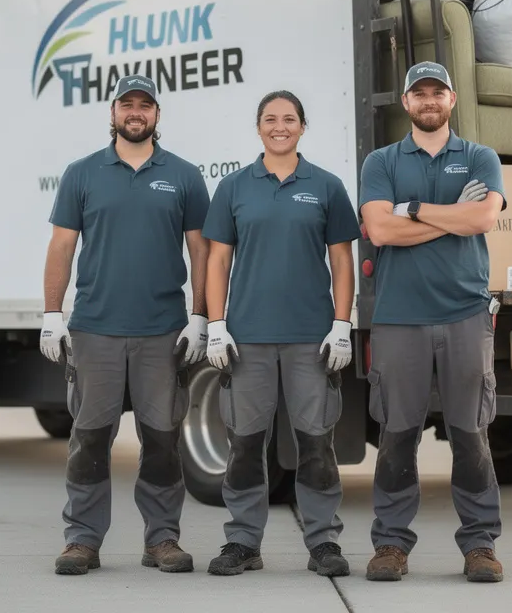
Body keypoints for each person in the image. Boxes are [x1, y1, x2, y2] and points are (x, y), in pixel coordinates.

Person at [40, 74, 211, 576]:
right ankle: (82, 541)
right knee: (90, 439)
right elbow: (61, 247)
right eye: (127, 104)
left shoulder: (183, 175)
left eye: (145, 105)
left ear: (157, 115)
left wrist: (200, 315)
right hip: (95, 328)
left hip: (162, 329)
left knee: (161, 439)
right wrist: (53, 314)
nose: (135, 112)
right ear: (112, 112)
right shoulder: (83, 174)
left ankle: (162, 540)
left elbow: (200, 250)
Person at [357, 61, 508, 584]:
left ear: (451, 100)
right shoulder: (380, 161)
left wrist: (416, 209)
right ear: (405, 102)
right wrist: (449, 218)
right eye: (418, 93)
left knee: (471, 432)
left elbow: (483, 219)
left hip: (466, 313)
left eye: (436, 92)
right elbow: (379, 229)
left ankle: (480, 544)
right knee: (398, 434)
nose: (428, 101)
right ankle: (391, 545)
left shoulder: (480, 157)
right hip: (399, 319)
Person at [200, 90, 360, 578]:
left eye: (289, 118)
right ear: (258, 128)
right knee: (246, 443)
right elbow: (218, 259)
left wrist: (341, 325)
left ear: (302, 127)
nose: (279, 126)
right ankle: (244, 542)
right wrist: (215, 324)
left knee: (316, 443)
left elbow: (341, 260)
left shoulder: (327, 186)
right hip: (247, 338)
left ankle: (323, 544)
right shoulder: (234, 188)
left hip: (310, 339)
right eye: (270, 119)